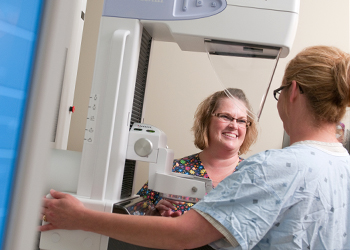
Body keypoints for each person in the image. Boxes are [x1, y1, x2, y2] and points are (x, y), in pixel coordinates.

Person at [40, 45, 350, 250]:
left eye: (279, 92)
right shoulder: (342, 164)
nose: (234, 126)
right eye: (225, 116)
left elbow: (184, 235)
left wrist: (80, 217)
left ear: (292, 92)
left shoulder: (272, 168)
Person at [138, 88, 258, 217]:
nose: (234, 125)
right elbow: (133, 220)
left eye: (241, 121)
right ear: (207, 121)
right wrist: (154, 215)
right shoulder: (172, 171)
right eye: (225, 116)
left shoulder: (254, 176)